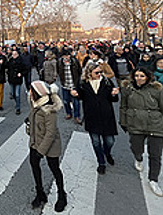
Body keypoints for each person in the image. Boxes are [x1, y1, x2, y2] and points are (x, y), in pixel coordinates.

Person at [119, 67, 163, 197]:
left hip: (155, 125)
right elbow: (123, 107)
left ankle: (153, 180)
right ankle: (138, 158)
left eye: (142, 76)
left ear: (148, 77)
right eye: (137, 76)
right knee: (136, 147)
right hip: (135, 124)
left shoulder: (156, 90)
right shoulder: (128, 89)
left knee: (155, 155)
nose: (139, 79)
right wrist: (123, 122)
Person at [71, 64, 119, 175]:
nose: (99, 74)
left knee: (110, 141)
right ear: (89, 73)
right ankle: (101, 162)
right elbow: (80, 96)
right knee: (96, 142)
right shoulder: (83, 83)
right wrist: (75, 94)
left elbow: (114, 99)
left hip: (106, 115)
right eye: (97, 72)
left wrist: (113, 94)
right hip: (91, 115)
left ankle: (107, 153)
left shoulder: (106, 82)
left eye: (100, 72)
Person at [28, 81, 67, 212]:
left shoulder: (49, 108)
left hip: (50, 144)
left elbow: (50, 133)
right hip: (35, 141)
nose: (29, 93)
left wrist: (40, 151)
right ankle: (40, 193)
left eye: (31, 90)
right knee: (34, 166)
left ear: (37, 93)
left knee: (54, 169)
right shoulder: (35, 103)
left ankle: (62, 195)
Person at [57, 49, 82, 124]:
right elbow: (58, 71)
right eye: (65, 56)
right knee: (65, 101)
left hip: (74, 84)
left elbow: (79, 71)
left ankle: (77, 116)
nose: (67, 57)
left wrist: (78, 82)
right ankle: (69, 113)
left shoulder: (74, 61)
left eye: (68, 55)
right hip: (65, 85)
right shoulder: (60, 62)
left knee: (76, 102)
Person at [7, 49, 25, 115]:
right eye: (13, 54)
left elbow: (25, 69)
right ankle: (16, 102)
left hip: (18, 80)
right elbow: (7, 67)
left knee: (17, 94)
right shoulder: (10, 61)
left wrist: (21, 73)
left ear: (17, 55)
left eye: (15, 54)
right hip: (11, 79)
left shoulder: (21, 61)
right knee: (13, 94)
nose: (14, 55)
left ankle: (18, 108)